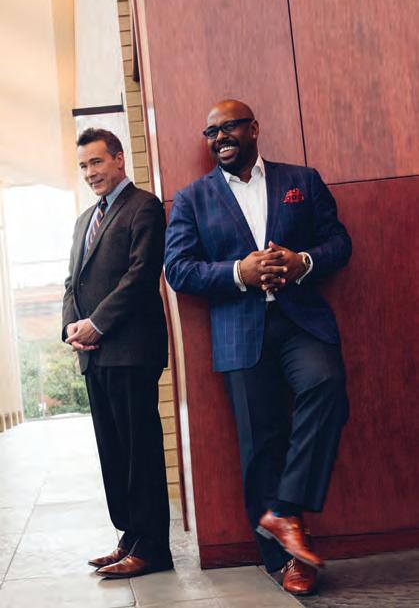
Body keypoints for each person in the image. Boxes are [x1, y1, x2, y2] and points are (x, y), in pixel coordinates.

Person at [164, 100, 351, 595]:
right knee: (260, 444)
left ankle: (283, 510)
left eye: (229, 127)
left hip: (300, 321)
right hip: (238, 332)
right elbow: (177, 269)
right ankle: (288, 561)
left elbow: (339, 243)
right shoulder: (192, 199)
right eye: (211, 132)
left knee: (327, 386)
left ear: (253, 128)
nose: (219, 137)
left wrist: (303, 261)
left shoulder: (301, 180)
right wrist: (237, 272)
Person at [62, 128, 172, 579]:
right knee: (114, 452)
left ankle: (153, 548)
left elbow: (140, 277)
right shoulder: (84, 219)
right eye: (83, 166)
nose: (90, 173)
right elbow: (72, 283)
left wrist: (98, 324)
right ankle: (130, 537)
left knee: (139, 451)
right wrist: (71, 329)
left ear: (119, 159)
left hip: (131, 351)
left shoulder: (144, 206)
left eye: (96, 162)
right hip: (95, 355)